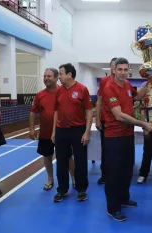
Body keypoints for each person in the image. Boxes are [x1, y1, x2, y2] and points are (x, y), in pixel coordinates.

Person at [101, 57, 152, 221]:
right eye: (120, 69)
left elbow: (136, 97)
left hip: (127, 135)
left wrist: (150, 81)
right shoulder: (108, 87)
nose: (123, 73)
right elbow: (119, 116)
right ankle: (113, 207)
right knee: (113, 174)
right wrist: (142, 123)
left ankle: (123, 199)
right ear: (114, 70)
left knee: (126, 170)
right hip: (113, 137)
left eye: (126, 70)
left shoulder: (127, 85)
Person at [51, 63, 93, 202]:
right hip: (61, 131)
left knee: (80, 162)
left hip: (78, 130)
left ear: (69, 75)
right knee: (61, 162)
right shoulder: (58, 90)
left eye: (61, 74)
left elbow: (89, 111)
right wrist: (54, 131)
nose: (59, 77)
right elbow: (56, 111)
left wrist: (87, 132)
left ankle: (81, 190)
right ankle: (62, 190)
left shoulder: (82, 89)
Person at [29, 68, 75, 191]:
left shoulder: (64, 91)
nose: (46, 78)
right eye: (44, 76)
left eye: (49, 76)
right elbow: (33, 112)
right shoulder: (40, 95)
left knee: (68, 157)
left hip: (62, 132)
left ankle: (74, 179)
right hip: (45, 133)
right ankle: (50, 179)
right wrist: (32, 128)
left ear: (56, 78)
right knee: (47, 156)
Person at [95, 57, 117, 185]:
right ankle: (105, 174)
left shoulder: (123, 81)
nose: (115, 68)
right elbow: (99, 101)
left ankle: (118, 173)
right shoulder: (104, 81)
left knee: (118, 149)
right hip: (106, 121)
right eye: (113, 65)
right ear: (110, 66)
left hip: (120, 121)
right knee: (106, 149)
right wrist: (97, 119)